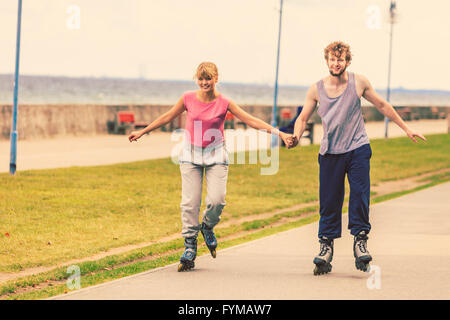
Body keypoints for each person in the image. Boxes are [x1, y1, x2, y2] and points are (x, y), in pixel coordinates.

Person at [128, 62, 293, 272]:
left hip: (216, 154)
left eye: (209, 79)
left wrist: (280, 133)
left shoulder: (224, 102)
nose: (205, 83)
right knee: (189, 203)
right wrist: (143, 131)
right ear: (197, 79)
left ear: (216, 79)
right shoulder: (187, 98)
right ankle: (189, 245)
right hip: (190, 154)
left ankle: (207, 227)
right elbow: (167, 116)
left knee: (217, 201)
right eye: (201, 79)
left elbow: (251, 120)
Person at [289, 41, 426, 275]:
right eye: (332, 59)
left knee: (360, 195)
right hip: (330, 152)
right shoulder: (316, 89)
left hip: (358, 148)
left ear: (347, 61)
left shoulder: (358, 82)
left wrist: (406, 128)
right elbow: (303, 118)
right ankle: (326, 247)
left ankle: (360, 241)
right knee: (330, 201)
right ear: (327, 61)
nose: (336, 63)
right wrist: (296, 136)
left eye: (340, 59)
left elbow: (382, 104)